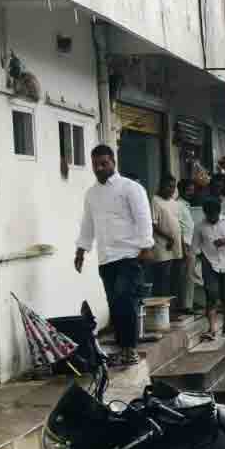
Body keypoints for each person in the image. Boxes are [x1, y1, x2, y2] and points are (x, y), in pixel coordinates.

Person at [75, 144, 155, 368]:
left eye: (104, 163)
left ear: (113, 163)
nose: (99, 168)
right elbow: (88, 224)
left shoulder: (131, 188)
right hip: (106, 258)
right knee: (114, 303)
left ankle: (130, 349)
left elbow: (143, 217)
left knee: (124, 299)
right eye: (96, 164)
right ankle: (123, 348)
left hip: (129, 255)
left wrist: (146, 246)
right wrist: (81, 250)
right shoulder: (91, 194)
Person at [191, 197, 225, 341]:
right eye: (208, 215)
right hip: (209, 263)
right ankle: (212, 328)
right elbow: (194, 247)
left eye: (213, 214)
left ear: (218, 212)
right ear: (205, 213)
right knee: (211, 294)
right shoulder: (199, 226)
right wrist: (200, 256)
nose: (211, 217)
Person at [150, 175, 183, 303]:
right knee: (163, 278)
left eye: (173, 187)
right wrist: (168, 237)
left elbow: (178, 224)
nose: (171, 189)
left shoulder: (175, 203)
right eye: (169, 186)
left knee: (175, 279)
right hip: (163, 246)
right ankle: (161, 307)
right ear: (162, 186)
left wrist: (180, 243)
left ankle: (173, 309)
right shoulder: (155, 200)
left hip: (176, 246)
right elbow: (153, 225)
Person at [176, 179, 198, 315]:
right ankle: (185, 306)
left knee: (189, 276)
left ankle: (187, 304)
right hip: (185, 245)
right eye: (189, 190)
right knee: (187, 276)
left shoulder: (186, 204)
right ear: (182, 190)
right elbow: (179, 228)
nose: (191, 192)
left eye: (192, 190)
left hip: (190, 244)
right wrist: (185, 248)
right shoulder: (178, 205)